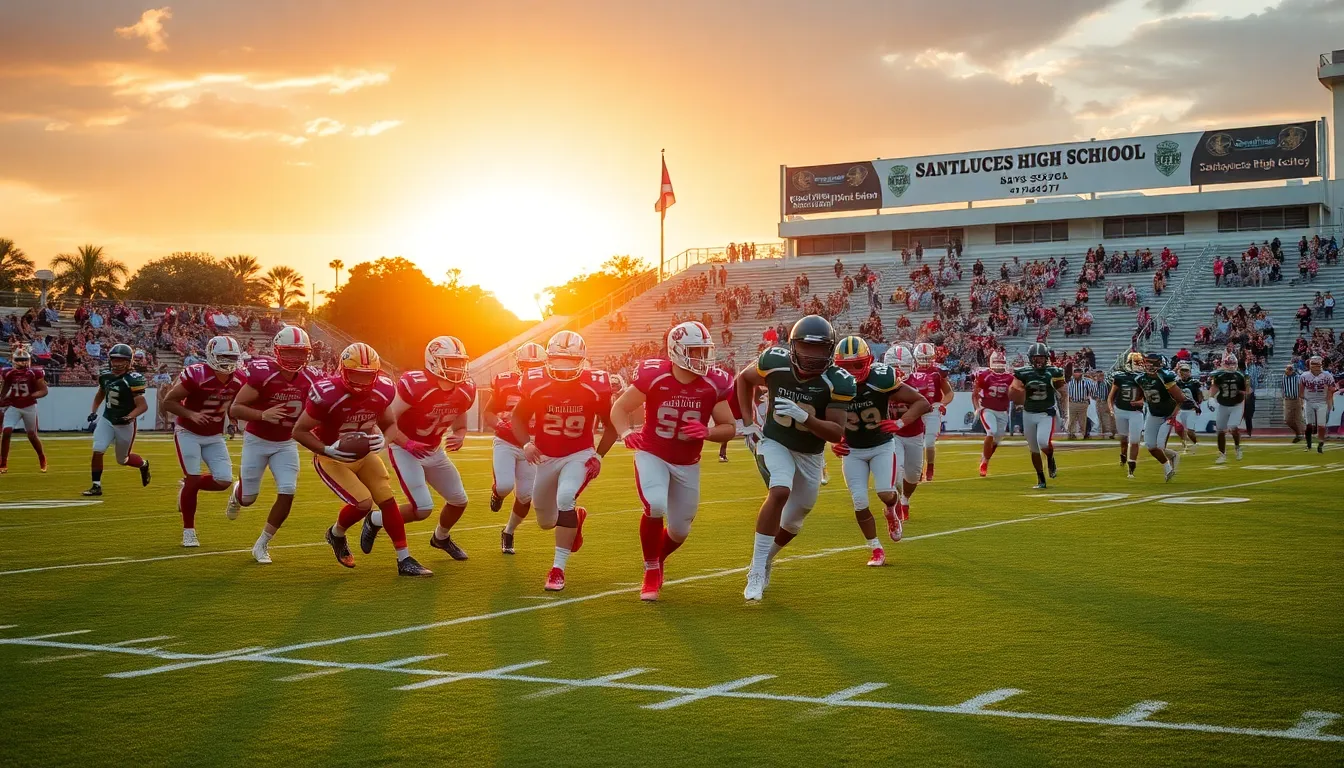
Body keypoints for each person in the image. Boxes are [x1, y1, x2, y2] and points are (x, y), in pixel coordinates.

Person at [609, 321, 735, 601]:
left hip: (688, 462)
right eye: (695, 351)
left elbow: (730, 427)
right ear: (677, 350)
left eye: (704, 351)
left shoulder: (713, 382)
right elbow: (620, 407)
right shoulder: (655, 376)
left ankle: (659, 557)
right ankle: (651, 569)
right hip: (653, 452)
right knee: (655, 504)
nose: (702, 358)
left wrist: (708, 432)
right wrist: (626, 432)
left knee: (679, 530)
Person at [736, 315, 855, 601]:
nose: (812, 356)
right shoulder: (774, 361)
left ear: (830, 350)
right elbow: (744, 379)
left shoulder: (838, 381)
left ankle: (763, 561)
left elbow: (836, 433)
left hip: (810, 454)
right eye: (805, 347)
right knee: (779, 490)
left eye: (819, 349)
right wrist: (748, 421)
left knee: (794, 520)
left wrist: (806, 417)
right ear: (793, 346)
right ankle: (754, 572)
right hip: (775, 441)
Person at [297, 342, 431, 576]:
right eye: (356, 374)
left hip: (365, 454)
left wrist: (385, 440)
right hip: (333, 458)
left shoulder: (383, 390)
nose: (361, 381)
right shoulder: (327, 393)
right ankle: (336, 534)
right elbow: (299, 431)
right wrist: (327, 450)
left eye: (367, 375)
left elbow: (389, 425)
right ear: (343, 370)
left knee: (387, 501)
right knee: (363, 503)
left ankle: (404, 559)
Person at [510, 330, 618, 592]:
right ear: (549, 359)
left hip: (578, 454)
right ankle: (576, 519)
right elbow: (517, 418)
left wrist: (598, 455)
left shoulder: (595, 386)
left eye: (570, 361)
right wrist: (526, 443)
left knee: (566, 497)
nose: (564, 367)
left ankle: (557, 570)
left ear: (581, 360)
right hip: (545, 456)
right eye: (559, 359)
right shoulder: (536, 383)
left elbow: (611, 426)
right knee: (546, 521)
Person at [370, 336, 477, 560]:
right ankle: (375, 520)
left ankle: (441, 537)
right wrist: (407, 443)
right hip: (405, 449)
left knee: (459, 500)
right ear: (434, 361)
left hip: (434, 450)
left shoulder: (466, 388)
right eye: (451, 362)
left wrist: (460, 434)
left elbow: (460, 421)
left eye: (460, 362)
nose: (457, 368)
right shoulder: (415, 384)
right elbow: (388, 422)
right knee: (422, 508)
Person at [224, 327, 320, 563]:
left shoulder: (311, 378)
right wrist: (263, 414)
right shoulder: (263, 373)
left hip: (285, 443)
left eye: (301, 353)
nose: (296, 358)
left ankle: (262, 544)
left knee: (288, 491)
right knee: (249, 498)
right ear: (278, 350)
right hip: (257, 440)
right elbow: (235, 408)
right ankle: (237, 494)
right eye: (290, 352)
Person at [832, 336, 930, 566]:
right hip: (853, 450)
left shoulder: (881, 379)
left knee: (885, 492)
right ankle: (876, 548)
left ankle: (891, 511)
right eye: (845, 366)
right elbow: (822, 418)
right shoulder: (832, 384)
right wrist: (832, 440)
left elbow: (922, 402)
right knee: (859, 501)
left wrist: (901, 422)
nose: (851, 371)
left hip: (881, 446)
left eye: (857, 364)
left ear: (869, 361)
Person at [158, 336, 245, 547]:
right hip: (188, 432)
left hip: (214, 435)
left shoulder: (240, 378)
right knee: (193, 478)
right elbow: (169, 402)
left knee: (224, 480)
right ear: (212, 356)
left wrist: (233, 419)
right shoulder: (197, 374)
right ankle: (189, 531)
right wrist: (191, 414)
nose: (228, 361)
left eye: (232, 357)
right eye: (224, 357)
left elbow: (235, 402)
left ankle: (188, 486)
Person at [484, 342, 547, 554]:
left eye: (536, 364)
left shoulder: (550, 385)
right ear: (519, 365)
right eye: (526, 364)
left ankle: (509, 531)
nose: (530, 369)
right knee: (504, 486)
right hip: (506, 442)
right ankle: (497, 494)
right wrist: (500, 424)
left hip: (532, 445)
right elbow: (489, 412)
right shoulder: (506, 382)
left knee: (525, 497)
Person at [82, 344, 151, 497]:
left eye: (122, 360)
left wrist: (129, 417)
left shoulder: (132, 379)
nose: (117, 363)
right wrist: (93, 411)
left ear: (129, 362)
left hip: (124, 424)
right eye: (115, 359)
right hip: (107, 419)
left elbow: (142, 406)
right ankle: (96, 486)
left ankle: (143, 464)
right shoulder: (106, 375)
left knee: (123, 460)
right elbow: (101, 392)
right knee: (98, 449)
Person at [1009, 343, 1065, 489]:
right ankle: (1041, 479)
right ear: (1030, 359)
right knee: (1033, 448)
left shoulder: (1054, 371)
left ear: (1046, 358)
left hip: (1045, 412)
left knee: (1043, 442)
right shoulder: (1023, 372)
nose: (1038, 361)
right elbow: (1015, 387)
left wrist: (1064, 407)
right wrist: (1018, 392)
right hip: (1028, 413)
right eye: (1036, 358)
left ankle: (1050, 458)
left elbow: (1063, 389)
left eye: (1041, 358)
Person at [1135, 353, 1186, 481]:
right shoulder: (1140, 378)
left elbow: (1180, 399)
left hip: (1168, 413)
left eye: (1150, 362)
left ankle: (1170, 463)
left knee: (1160, 445)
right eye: (1146, 362)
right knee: (1151, 446)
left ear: (1158, 364)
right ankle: (1169, 463)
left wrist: (1173, 416)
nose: (1147, 365)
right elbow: (1143, 396)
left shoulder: (1165, 377)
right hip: (1154, 413)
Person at [907, 342, 954, 479]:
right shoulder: (910, 371)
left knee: (929, 442)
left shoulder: (937, 372)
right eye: (922, 358)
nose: (925, 362)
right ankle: (918, 469)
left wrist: (942, 404)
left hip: (932, 409)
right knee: (916, 442)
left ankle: (930, 467)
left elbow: (949, 393)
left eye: (927, 358)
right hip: (915, 410)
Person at [1, 344, 49, 472]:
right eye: (19, 360)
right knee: (6, 432)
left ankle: (42, 457)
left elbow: (44, 391)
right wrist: (2, 399)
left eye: (24, 360)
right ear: (13, 360)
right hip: (14, 406)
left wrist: (31, 395)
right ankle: (3, 463)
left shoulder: (35, 373)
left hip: (29, 406)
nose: (22, 363)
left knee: (32, 435)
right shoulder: (8, 373)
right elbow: (5, 388)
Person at [971, 351, 1013, 477]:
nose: (999, 368)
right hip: (987, 408)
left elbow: (1014, 393)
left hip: (1002, 411)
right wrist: (978, 408)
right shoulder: (985, 375)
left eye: (1001, 365)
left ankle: (985, 459)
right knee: (991, 431)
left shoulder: (1010, 377)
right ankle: (984, 463)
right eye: (997, 364)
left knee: (997, 439)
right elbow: (975, 394)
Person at [1109, 353, 1147, 478]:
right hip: (1120, 410)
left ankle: (1131, 468)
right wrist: (1111, 409)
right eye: (1137, 363)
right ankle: (1123, 454)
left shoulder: (1143, 377)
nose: (1140, 365)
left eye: (1140, 363)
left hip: (1136, 412)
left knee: (1135, 440)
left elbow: (1148, 397)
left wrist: (1141, 402)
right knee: (1124, 438)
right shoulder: (1120, 377)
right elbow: (1111, 397)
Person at [1208, 354, 1248, 464]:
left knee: (1232, 427)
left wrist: (1242, 394)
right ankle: (1222, 454)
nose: (1231, 366)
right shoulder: (1219, 375)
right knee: (1220, 431)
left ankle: (1237, 447)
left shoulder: (1240, 376)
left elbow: (1246, 391)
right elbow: (1214, 387)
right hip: (1223, 404)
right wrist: (1211, 397)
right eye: (1228, 364)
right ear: (1224, 364)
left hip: (1236, 405)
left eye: (1232, 364)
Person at [1300, 356, 1335, 453]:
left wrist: (1329, 397)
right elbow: (1301, 392)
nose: (1315, 366)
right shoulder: (1304, 375)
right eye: (1313, 364)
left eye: (1317, 364)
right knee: (1308, 425)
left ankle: (1320, 443)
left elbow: (1332, 388)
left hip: (1322, 402)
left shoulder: (1327, 375)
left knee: (1321, 425)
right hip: (1309, 401)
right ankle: (1309, 445)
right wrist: (1304, 400)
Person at [1171, 362, 1202, 454]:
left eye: (1186, 370)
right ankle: (1185, 444)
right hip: (1181, 409)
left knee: (1189, 430)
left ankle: (1195, 443)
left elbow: (1199, 395)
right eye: (1182, 370)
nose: (1184, 373)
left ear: (1189, 372)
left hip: (1191, 409)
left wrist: (1197, 404)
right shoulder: (1176, 383)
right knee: (1179, 429)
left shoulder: (1194, 383)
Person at [1065, 368, 1095, 440]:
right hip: (1072, 402)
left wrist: (1088, 397)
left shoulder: (1088, 381)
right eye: (1075, 372)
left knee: (1083, 420)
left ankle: (1083, 434)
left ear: (1082, 373)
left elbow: (1093, 390)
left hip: (1083, 403)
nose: (1077, 374)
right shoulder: (1069, 381)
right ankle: (1071, 434)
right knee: (1071, 419)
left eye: (1079, 372)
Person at [1282, 364, 1304, 442]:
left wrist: (1302, 401)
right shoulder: (1283, 377)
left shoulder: (1297, 378)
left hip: (1297, 399)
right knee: (1287, 420)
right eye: (1287, 369)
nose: (1287, 371)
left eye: (1289, 369)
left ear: (1292, 371)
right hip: (1288, 400)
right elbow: (1283, 387)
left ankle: (1301, 436)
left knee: (1298, 419)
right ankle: (1298, 433)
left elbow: (1300, 389)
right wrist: (1283, 397)